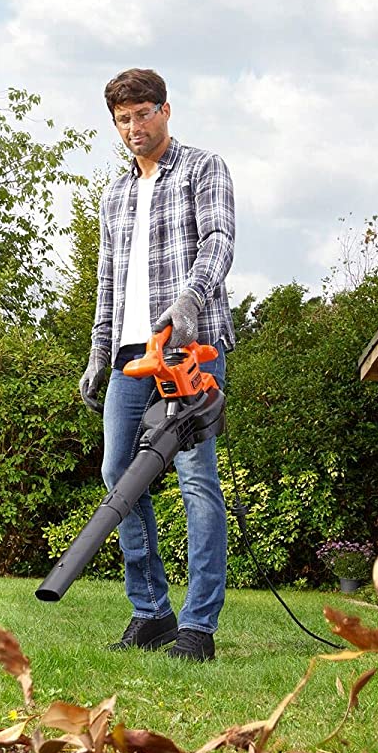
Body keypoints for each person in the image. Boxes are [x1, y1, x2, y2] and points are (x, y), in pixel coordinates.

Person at [80, 68, 236, 663]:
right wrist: (99, 352)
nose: (133, 127)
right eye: (123, 119)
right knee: (118, 473)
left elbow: (219, 241)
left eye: (143, 114)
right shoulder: (114, 196)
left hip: (188, 349)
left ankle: (198, 625)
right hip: (130, 356)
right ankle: (151, 613)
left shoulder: (203, 168)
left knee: (196, 480)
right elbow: (107, 281)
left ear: (165, 111)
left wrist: (191, 301)